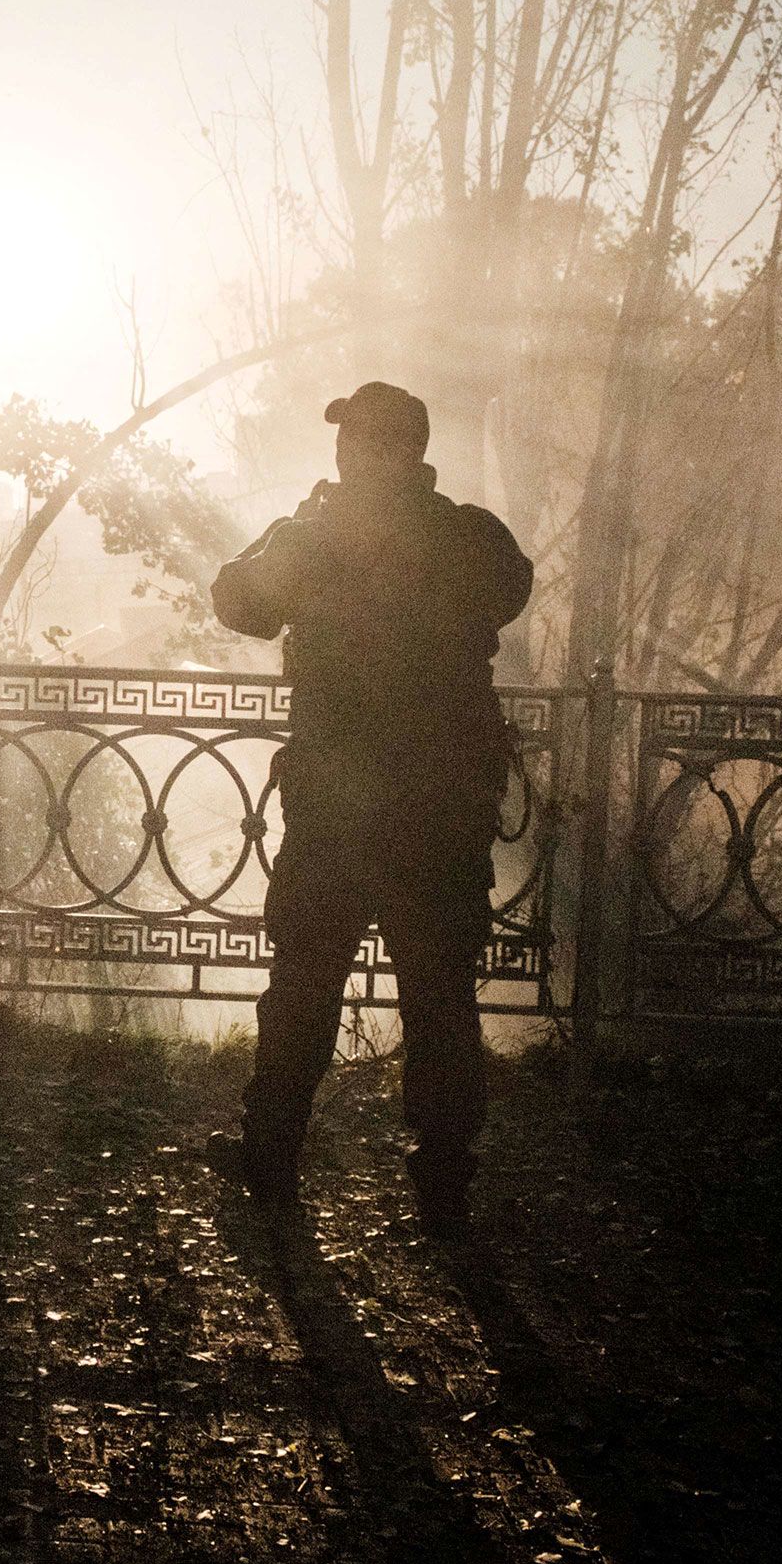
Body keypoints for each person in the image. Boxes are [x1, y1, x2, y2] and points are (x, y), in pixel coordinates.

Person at [208, 381, 533, 1237]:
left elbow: (235, 598)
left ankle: (271, 1158)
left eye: (352, 440)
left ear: (373, 451)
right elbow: (511, 586)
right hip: (440, 813)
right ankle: (445, 1181)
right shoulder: (469, 536)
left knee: (304, 989)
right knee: (439, 998)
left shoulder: (314, 540)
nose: (343, 453)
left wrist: (296, 526)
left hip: (339, 814)